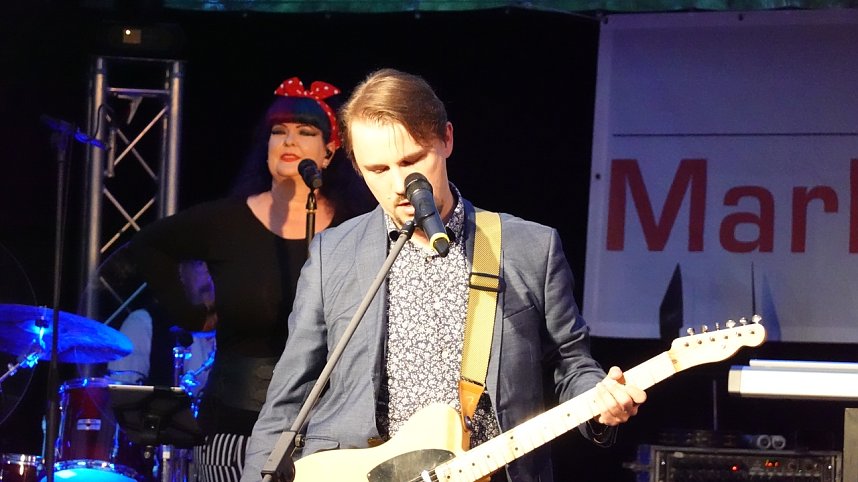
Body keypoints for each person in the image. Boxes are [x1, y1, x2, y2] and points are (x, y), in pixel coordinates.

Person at [241, 68, 647, 482]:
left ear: (446, 140)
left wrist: (600, 401)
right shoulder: (333, 253)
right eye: (377, 170)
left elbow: (570, 364)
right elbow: (288, 398)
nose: (399, 184)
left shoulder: (528, 248)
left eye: (412, 161)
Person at [128, 77, 376, 482]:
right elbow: (148, 246)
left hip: (326, 432)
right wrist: (191, 314)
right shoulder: (227, 221)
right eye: (278, 132)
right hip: (232, 426)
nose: (288, 141)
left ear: (329, 153)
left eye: (305, 132)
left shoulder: (355, 227)